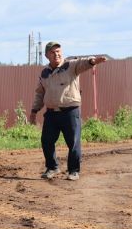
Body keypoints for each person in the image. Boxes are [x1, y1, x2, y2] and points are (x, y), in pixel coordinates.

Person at [29, 41, 107, 181]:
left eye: (58, 51)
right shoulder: (44, 72)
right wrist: (34, 111)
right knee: (46, 140)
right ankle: (52, 167)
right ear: (47, 55)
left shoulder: (70, 66)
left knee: (73, 142)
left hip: (70, 111)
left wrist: (93, 60)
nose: (56, 54)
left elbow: (83, 63)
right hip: (52, 113)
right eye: (52, 52)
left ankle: (73, 171)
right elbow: (40, 93)